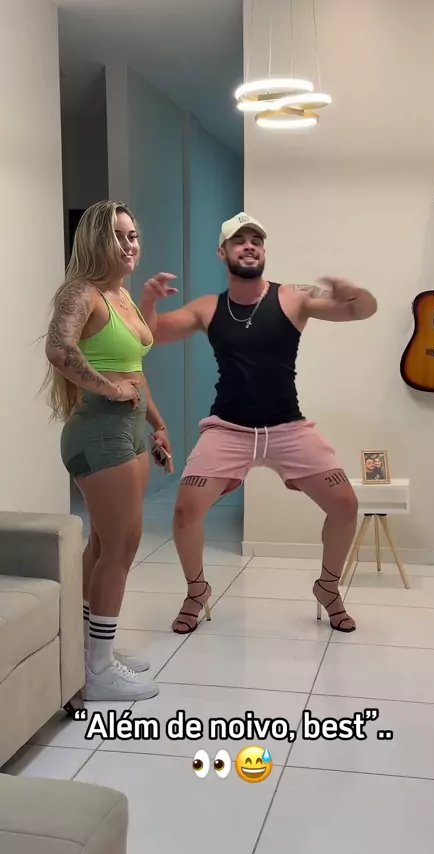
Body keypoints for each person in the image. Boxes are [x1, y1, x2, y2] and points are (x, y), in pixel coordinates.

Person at [140, 212, 378, 635]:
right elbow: (152, 335)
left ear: (263, 250)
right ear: (223, 252)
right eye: (239, 240)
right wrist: (148, 303)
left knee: (345, 505)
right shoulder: (207, 308)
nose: (249, 245)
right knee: (185, 510)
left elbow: (362, 310)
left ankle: (328, 588)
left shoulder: (294, 296)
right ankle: (197, 591)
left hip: (288, 428)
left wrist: (353, 292)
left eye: (256, 240)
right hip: (229, 429)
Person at [44, 200, 177, 701]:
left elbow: (135, 370)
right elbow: (60, 349)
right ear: (95, 240)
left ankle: (89, 651)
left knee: (104, 544)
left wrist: (158, 424)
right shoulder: (82, 292)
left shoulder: (121, 296)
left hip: (130, 432)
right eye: (118, 236)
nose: (129, 244)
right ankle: (98, 672)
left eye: (133, 235)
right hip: (99, 434)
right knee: (122, 546)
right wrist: (107, 387)